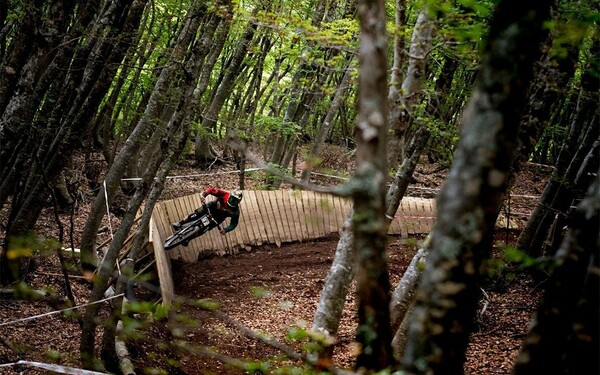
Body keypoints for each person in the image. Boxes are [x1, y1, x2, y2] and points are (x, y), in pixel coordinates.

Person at [172, 187, 243, 235]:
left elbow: (234, 224)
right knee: (197, 214)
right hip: (212, 207)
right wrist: (204, 195)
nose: (232, 202)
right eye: (232, 199)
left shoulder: (235, 212)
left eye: (235, 201)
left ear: (238, 202)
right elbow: (211, 190)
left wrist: (225, 230)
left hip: (218, 218)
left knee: (205, 228)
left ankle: (189, 238)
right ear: (230, 196)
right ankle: (180, 223)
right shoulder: (225, 194)